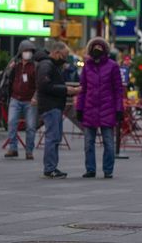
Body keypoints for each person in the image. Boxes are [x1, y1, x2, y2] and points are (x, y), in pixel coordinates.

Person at [76, 38, 124, 179]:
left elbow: (118, 90)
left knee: (109, 143)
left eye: (100, 47)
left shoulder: (113, 66)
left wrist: (119, 109)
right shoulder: (86, 67)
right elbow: (82, 89)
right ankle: (90, 169)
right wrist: (79, 108)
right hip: (89, 109)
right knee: (88, 143)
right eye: (94, 47)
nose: (97, 50)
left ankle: (108, 170)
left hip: (107, 110)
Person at [36, 41, 80, 179]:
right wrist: (67, 90)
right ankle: (50, 169)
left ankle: (52, 167)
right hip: (51, 106)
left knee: (54, 137)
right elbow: (45, 86)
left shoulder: (50, 65)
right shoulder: (46, 65)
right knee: (53, 138)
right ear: (56, 53)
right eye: (64, 55)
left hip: (54, 106)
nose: (65, 58)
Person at [0, 40, 39, 159]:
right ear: (21, 52)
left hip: (30, 100)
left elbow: (39, 84)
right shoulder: (14, 63)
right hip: (15, 98)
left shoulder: (35, 66)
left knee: (31, 126)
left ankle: (29, 151)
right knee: (11, 123)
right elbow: (5, 77)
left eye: (30, 51)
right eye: (26, 51)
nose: (28, 53)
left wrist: (35, 97)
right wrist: (9, 69)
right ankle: (13, 148)